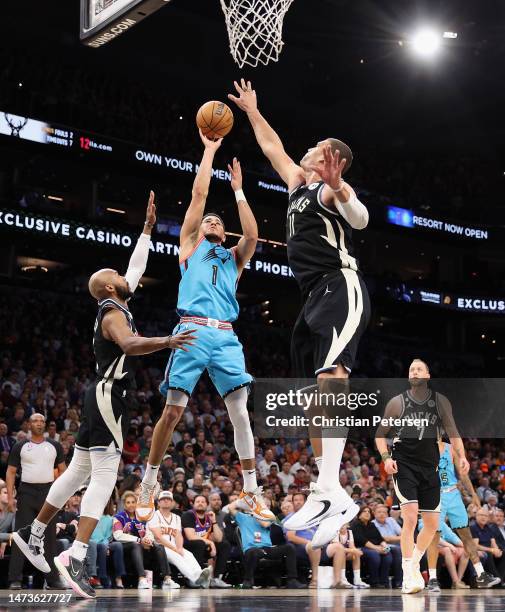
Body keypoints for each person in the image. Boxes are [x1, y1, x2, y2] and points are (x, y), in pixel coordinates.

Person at [11, 193, 196, 599]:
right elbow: (130, 346)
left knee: (77, 472)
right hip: (109, 395)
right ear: (111, 286)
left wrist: (147, 229)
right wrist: (168, 339)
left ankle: (33, 533)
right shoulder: (113, 313)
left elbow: (135, 266)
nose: (126, 275)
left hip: (98, 393)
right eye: (117, 273)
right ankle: (76, 553)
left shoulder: (116, 301)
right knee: (105, 474)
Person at [229, 79, 370, 546]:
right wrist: (252, 110)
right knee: (314, 395)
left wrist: (342, 187)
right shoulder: (296, 184)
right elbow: (272, 146)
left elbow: (361, 220)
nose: (309, 152)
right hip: (311, 296)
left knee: (333, 377)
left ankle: (332, 490)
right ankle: (327, 488)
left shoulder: (331, 192)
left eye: (319, 150)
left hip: (339, 285)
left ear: (334, 164)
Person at [137, 132, 274, 524]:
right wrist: (210, 151)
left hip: (226, 336)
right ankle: (149, 481)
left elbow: (252, 234)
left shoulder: (235, 257)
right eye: (207, 220)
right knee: (173, 412)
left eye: (218, 220)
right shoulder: (190, 246)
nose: (211, 219)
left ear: (223, 232)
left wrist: (240, 191)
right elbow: (198, 198)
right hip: (192, 331)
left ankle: (251, 490)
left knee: (241, 414)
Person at [375, 358, 470, 594]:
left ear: (427, 376)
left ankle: (414, 562)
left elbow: (454, 433)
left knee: (431, 524)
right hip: (404, 465)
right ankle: (408, 573)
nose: (415, 371)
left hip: (430, 467)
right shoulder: (398, 403)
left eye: (419, 369)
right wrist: (386, 458)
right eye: (411, 369)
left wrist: (462, 457)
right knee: (409, 518)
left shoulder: (440, 402)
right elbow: (380, 435)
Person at [425, 439, 499, 591]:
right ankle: (432, 579)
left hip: (453, 493)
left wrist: (473, 494)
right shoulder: (422, 448)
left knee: (466, 536)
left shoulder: (449, 448)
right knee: (435, 536)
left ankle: (481, 575)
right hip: (434, 494)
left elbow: (463, 474)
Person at [7, 413, 67, 589]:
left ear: (45, 425)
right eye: (35, 421)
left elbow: (64, 470)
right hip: (26, 493)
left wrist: (59, 492)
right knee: (20, 536)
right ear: (29, 424)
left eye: (42, 421)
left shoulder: (55, 445)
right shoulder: (20, 446)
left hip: (48, 494)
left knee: (49, 537)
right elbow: (11, 472)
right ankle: (15, 579)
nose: (39, 423)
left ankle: (52, 579)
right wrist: (10, 497)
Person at [227, 498, 305, 589]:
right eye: (263, 505)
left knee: (289, 548)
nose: (265, 508)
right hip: (252, 548)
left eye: (267, 506)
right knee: (253, 552)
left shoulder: (270, 517)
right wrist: (245, 498)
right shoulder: (243, 517)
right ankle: (248, 580)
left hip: (267, 548)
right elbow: (230, 507)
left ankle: (292, 580)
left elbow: (264, 524)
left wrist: (255, 510)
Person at [147, 490, 211, 588]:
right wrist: (175, 549)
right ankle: (194, 579)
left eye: (168, 499)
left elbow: (178, 536)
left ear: (172, 502)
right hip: (158, 547)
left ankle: (200, 576)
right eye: (163, 499)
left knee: (188, 554)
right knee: (177, 557)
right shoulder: (153, 516)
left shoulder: (176, 517)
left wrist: (180, 548)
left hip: (174, 546)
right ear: (158, 502)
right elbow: (158, 537)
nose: (166, 501)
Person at [112, 491, 170, 589]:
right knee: (136, 544)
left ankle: (167, 579)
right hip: (125, 545)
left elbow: (149, 531)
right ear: (124, 505)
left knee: (159, 546)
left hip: (141, 543)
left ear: (137, 503)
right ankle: (142, 579)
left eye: (133, 502)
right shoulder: (118, 517)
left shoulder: (143, 516)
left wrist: (148, 540)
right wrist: (139, 540)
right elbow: (118, 536)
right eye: (128, 502)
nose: (131, 505)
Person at [181, 494, 232, 588]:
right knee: (199, 544)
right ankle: (194, 578)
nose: (200, 504)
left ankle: (216, 579)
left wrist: (214, 521)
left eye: (203, 502)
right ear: (193, 504)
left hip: (203, 547)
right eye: (198, 502)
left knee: (224, 545)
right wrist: (210, 542)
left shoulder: (209, 517)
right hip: (187, 547)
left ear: (207, 505)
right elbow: (191, 536)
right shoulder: (188, 515)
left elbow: (219, 538)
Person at [351, 506, 394, 588]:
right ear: (359, 514)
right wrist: (376, 548)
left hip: (374, 547)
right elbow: (361, 540)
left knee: (387, 555)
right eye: (364, 511)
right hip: (360, 548)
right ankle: (374, 581)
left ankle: (384, 582)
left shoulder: (372, 525)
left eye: (369, 512)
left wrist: (385, 547)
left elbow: (380, 538)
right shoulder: (356, 524)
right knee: (374, 555)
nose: (367, 513)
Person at [471, 508, 505, 585]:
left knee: (503, 553)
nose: (483, 517)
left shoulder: (488, 527)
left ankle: (500, 579)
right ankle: (498, 581)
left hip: (489, 549)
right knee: (488, 554)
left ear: (488, 517)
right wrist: (491, 550)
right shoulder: (473, 527)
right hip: (480, 550)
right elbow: (475, 546)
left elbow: (493, 542)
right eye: (481, 515)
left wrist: (497, 550)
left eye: (486, 516)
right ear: (476, 516)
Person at [372, 505, 403, 587]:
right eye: (379, 512)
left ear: (387, 514)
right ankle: (395, 581)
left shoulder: (391, 520)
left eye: (384, 512)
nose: (382, 514)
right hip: (381, 546)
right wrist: (396, 538)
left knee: (400, 551)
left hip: (395, 546)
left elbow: (403, 535)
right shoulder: (372, 524)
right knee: (393, 552)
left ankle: (398, 581)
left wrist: (390, 539)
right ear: (374, 514)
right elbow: (382, 539)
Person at [336, 523, 369, 588]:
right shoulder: (335, 532)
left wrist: (356, 551)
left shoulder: (349, 532)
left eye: (343, 525)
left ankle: (357, 580)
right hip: (336, 555)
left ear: (347, 526)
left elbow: (352, 546)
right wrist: (353, 550)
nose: (341, 526)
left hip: (346, 552)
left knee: (356, 554)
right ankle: (342, 579)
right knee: (341, 553)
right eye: (340, 524)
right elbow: (337, 548)